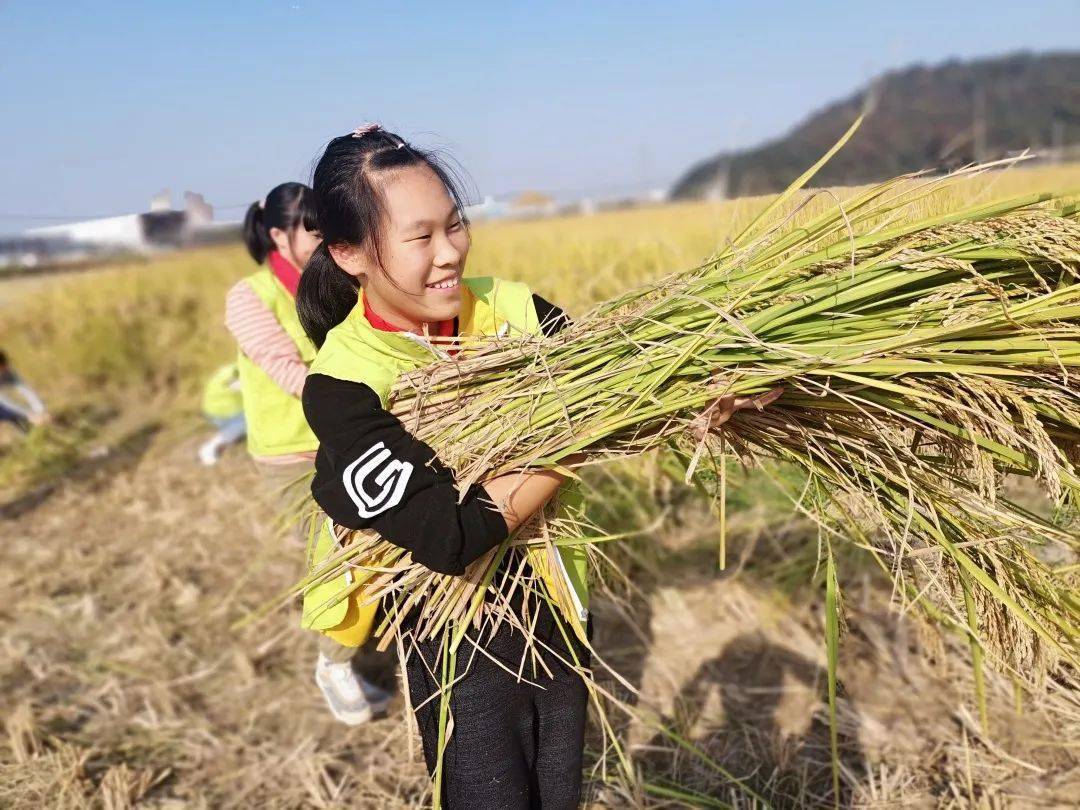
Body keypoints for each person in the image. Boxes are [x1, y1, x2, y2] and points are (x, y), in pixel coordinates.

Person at [295, 124, 777, 808]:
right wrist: (587, 429)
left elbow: (630, 379)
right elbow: (452, 535)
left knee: (559, 794)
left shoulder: (511, 309)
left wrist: (714, 390)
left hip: (553, 594)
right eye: (420, 236)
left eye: (456, 226)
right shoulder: (344, 382)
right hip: (456, 629)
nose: (449, 253)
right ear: (349, 253)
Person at [226, 183, 391, 725]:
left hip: (348, 438)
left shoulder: (339, 282)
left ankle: (362, 663)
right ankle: (334, 663)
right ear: (278, 234)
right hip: (293, 453)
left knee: (377, 545)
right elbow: (287, 369)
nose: (324, 238)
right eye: (312, 229)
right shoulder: (249, 295)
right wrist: (361, 398)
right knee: (340, 552)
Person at [197, 362, 247, 466]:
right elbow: (248, 389)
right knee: (249, 422)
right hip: (221, 414)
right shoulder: (230, 374)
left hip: (223, 411)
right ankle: (211, 447)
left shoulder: (234, 369)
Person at [0, 350, 49, 434]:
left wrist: (41, 410)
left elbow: (25, 389)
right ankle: (25, 430)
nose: (5, 370)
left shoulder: (7, 371)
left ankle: (29, 431)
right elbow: (4, 401)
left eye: (5, 367)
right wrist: (29, 414)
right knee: (7, 412)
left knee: (26, 415)